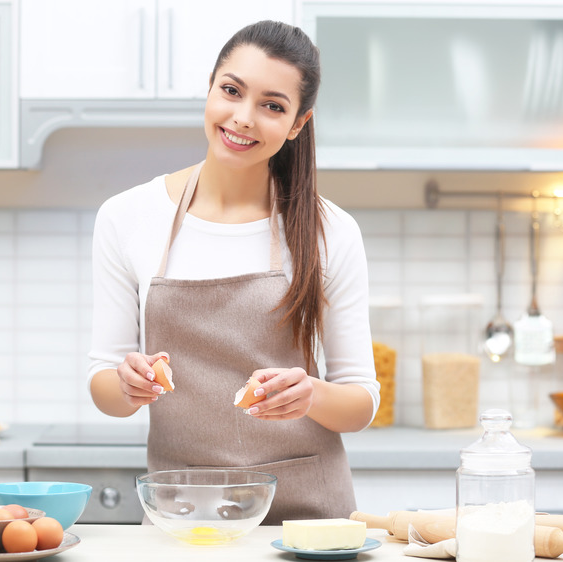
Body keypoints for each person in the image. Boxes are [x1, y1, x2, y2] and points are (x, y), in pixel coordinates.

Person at [87, 20, 379, 524]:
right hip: (183, 516)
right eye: (232, 91)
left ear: (297, 124)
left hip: (306, 522)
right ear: (210, 87)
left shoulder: (331, 230)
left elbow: (361, 402)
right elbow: (103, 385)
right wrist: (126, 384)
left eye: (272, 105)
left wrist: (311, 394)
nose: (243, 118)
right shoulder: (126, 217)